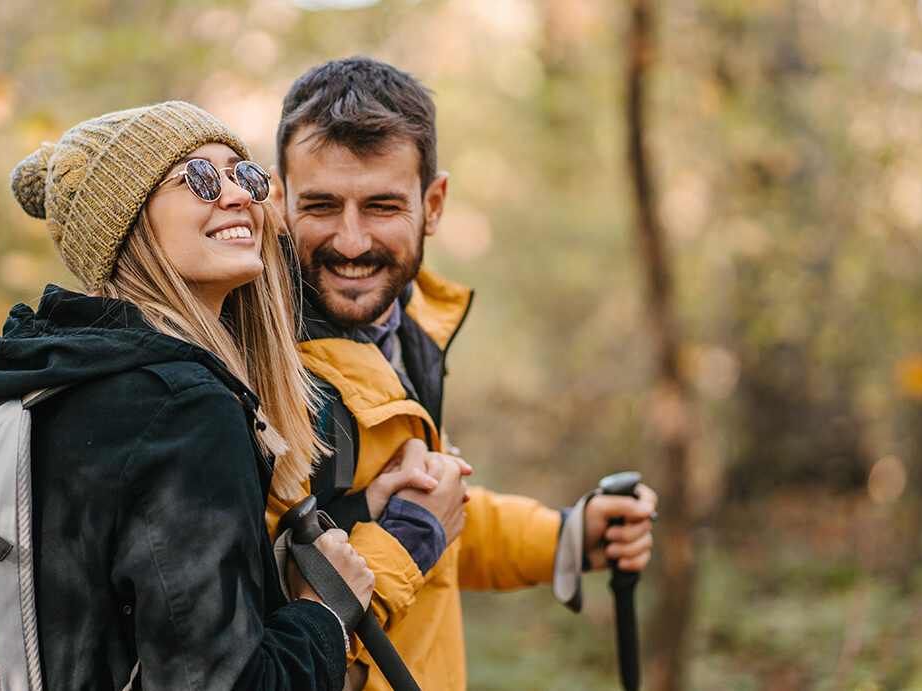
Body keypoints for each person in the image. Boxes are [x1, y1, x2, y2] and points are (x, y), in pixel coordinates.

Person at [0, 101, 373, 689]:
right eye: (200, 179)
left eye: (244, 175)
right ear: (126, 226)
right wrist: (325, 615)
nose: (238, 197)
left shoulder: (60, 384)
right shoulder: (182, 409)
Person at [263, 58, 659, 690]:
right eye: (322, 204)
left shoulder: (408, 334)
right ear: (280, 202)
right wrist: (408, 542)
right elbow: (267, 638)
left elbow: (440, 521)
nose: (353, 240)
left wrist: (570, 535)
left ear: (434, 203)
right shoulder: (263, 369)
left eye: (383, 205)